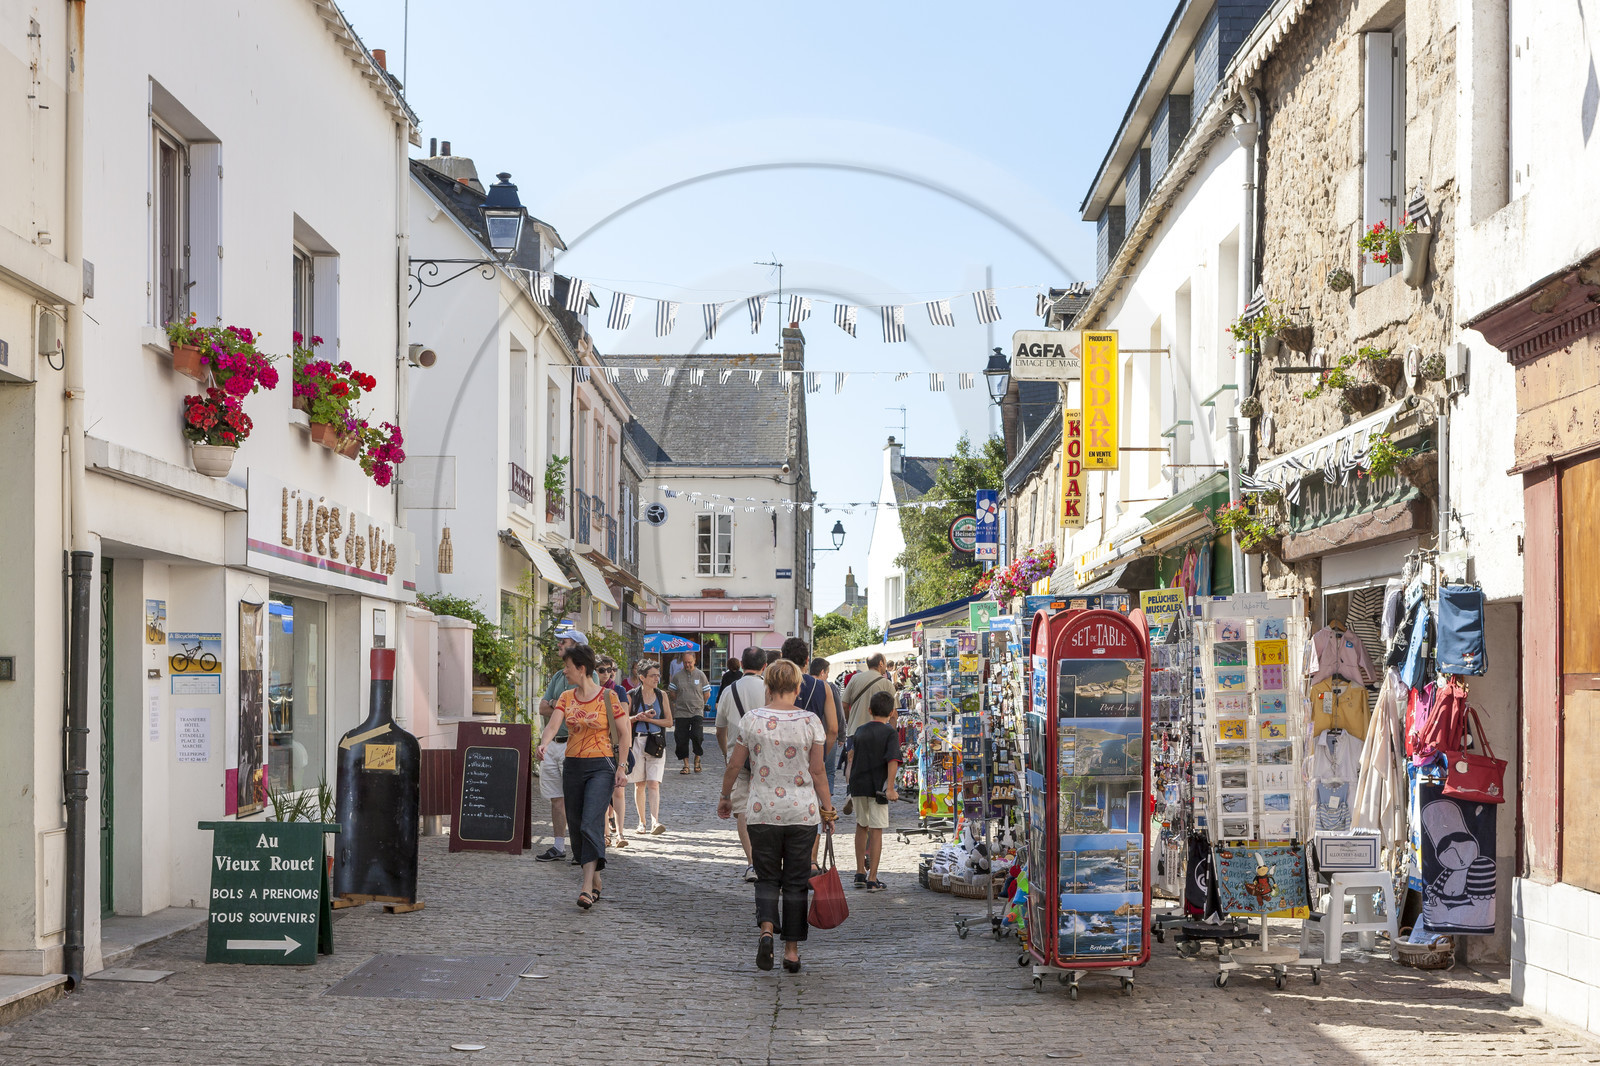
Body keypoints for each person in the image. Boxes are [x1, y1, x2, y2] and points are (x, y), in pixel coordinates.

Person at [717, 658, 837, 972]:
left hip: (761, 811)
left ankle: (767, 930)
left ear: (768, 688)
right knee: (796, 882)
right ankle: (792, 952)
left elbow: (734, 764)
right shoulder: (811, 721)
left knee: (767, 877)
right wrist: (828, 809)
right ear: (798, 688)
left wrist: (725, 796)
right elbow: (818, 770)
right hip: (801, 813)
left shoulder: (752, 720)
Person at [536, 642, 630, 910]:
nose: (564, 672)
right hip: (573, 765)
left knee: (590, 822)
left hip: (601, 765)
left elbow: (624, 733)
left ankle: (586, 887)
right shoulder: (566, 697)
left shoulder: (608, 698)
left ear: (581, 668)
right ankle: (596, 876)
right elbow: (553, 725)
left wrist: (621, 766)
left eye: (567, 667)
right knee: (576, 827)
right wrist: (543, 743)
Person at [781, 638, 840, 869]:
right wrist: (821, 754)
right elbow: (833, 729)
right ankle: (812, 861)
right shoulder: (822, 687)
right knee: (812, 808)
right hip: (810, 757)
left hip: (780, 758)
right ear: (807, 660)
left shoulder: (776, 684)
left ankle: (785, 858)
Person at [717, 645, 769, 882]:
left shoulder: (729, 690)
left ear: (742, 663)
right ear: (764, 666)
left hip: (738, 758)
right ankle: (768, 860)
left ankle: (752, 863)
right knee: (767, 809)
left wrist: (728, 753)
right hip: (767, 757)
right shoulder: (769, 689)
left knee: (742, 813)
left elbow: (720, 728)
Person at [534, 627, 585, 863]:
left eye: (562, 642)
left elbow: (579, 707)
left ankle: (580, 848)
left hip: (574, 744)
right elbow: (543, 708)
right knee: (556, 797)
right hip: (554, 743)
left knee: (575, 798)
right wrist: (559, 703)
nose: (558, 645)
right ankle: (558, 846)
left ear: (575, 644)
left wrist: (556, 704)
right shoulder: (558, 675)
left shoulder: (588, 675)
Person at [847, 690, 902, 892]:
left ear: (869, 710)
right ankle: (872, 877)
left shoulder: (860, 730)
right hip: (878, 788)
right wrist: (890, 788)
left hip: (858, 784)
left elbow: (851, 757)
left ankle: (860, 871)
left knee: (861, 826)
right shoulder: (890, 733)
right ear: (892, 712)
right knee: (876, 830)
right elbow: (892, 761)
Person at [627, 659, 671, 834]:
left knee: (654, 783)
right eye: (653, 676)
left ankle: (655, 821)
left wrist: (649, 719)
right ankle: (641, 822)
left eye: (658, 675)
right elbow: (623, 720)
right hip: (637, 741)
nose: (656, 679)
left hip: (656, 742)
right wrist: (637, 717)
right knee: (640, 784)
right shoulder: (631, 695)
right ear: (642, 677)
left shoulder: (662, 695)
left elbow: (668, 721)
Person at [596, 656, 631, 849]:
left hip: (614, 747)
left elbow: (624, 722)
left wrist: (627, 749)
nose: (606, 673)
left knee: (618, 791)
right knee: (600, 793)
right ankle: (605, 834)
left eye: (609, 670)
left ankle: (620, 833)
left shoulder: (618, 690)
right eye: (601, 670)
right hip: (596, 747)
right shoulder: (589, 691)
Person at [808, 657, 844, 804]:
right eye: (827, 672)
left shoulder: (800, 685)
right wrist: (842, 735)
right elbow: (838, 713)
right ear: (822, 672)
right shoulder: (828, 687)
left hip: (807, 735)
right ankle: (826, 804)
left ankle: (813, 799)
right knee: (828, 771)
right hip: (827, 734)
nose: (828, 676)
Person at [668, 651, 709, 775]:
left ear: (694, 661)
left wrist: (700, 704)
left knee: (697, 736)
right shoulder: (677, 676)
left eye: (690, 662)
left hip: (697, 711)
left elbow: (706, 694)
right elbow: (672, 693)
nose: (687, 665)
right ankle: (686, 764)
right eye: (685, 662)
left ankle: (697, 758)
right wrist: (678, 701)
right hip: (681, 712)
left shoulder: (701, 675)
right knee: (681, 739)